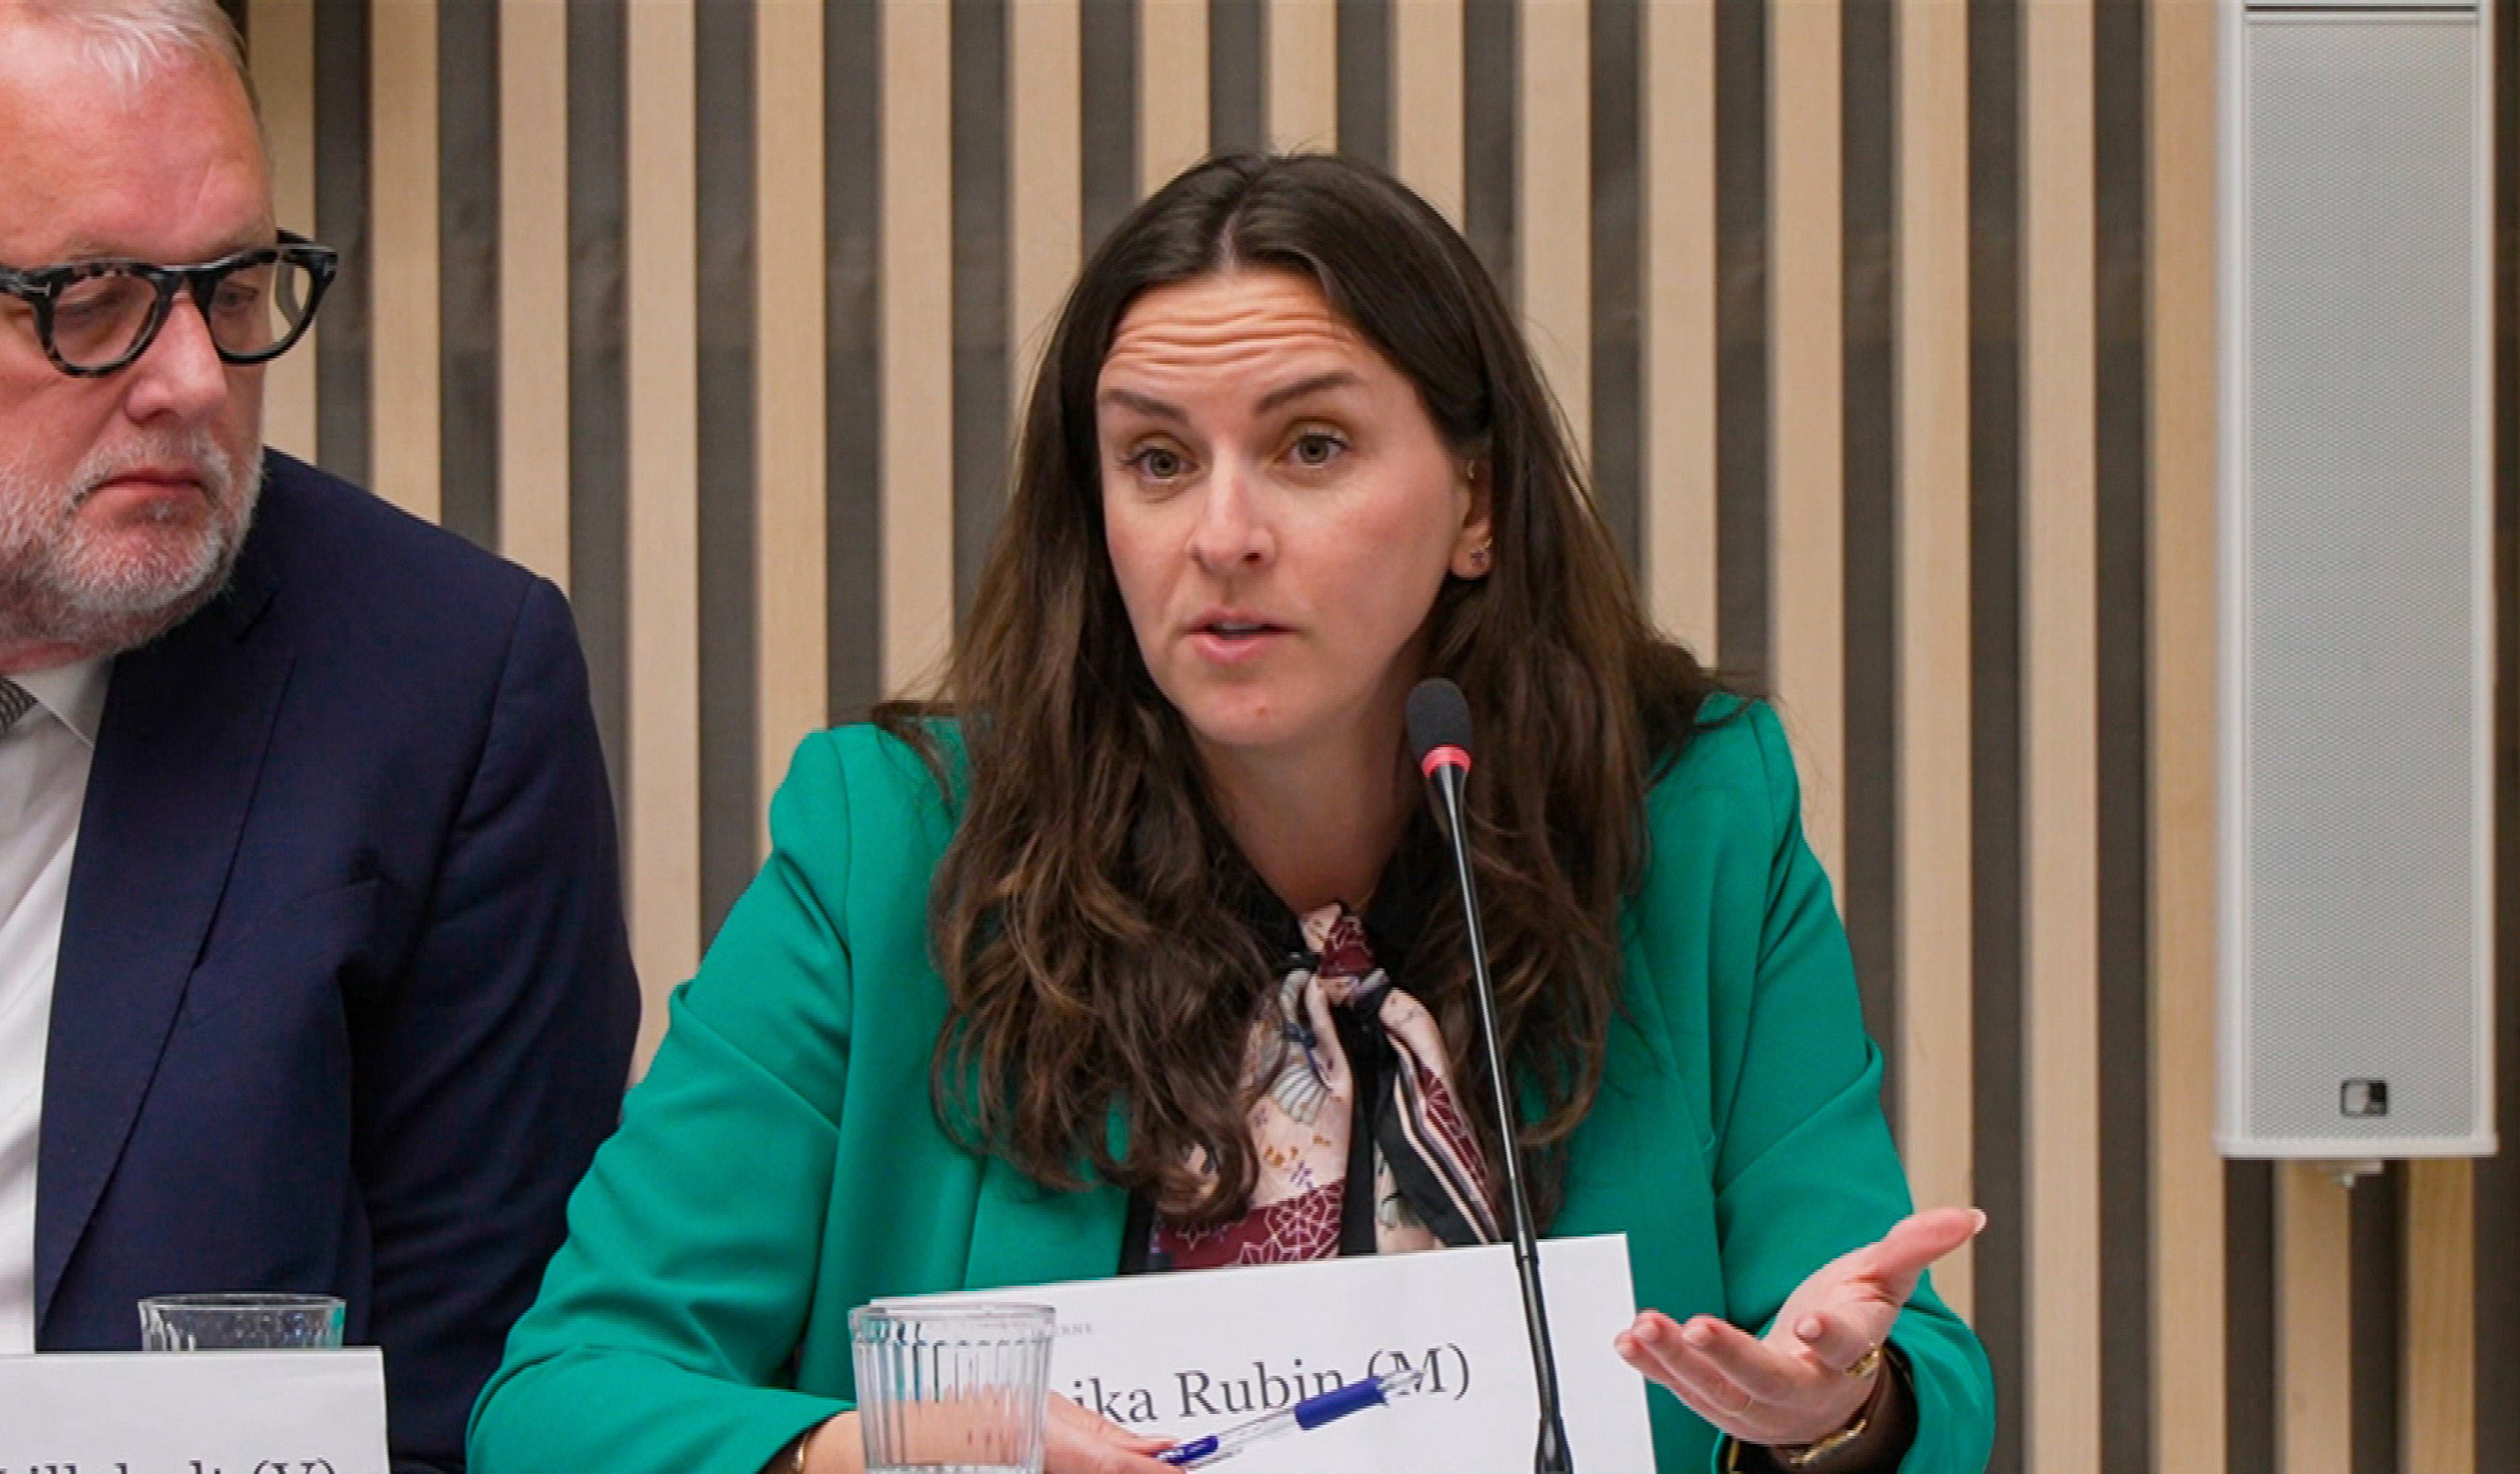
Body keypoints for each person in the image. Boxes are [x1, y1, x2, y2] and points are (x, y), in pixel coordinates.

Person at [471, 151, 1992, 1474]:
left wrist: (1837, 1409)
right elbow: (560, 1404)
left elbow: (1882, 1350)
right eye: (1156, 460)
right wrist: (888, 1449)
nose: (1223, 534)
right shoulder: (897, 846)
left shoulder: (1690, 819)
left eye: (1310, 448)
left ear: (1475, 505)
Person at [0, 4, 639, 1470]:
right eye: (92, 299)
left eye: (234, 288)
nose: (193, 379)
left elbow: (485, 1398)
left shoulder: (442, 688)